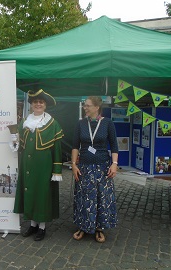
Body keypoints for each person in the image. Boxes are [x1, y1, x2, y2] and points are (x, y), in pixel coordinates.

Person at [14, 89, 64, 241]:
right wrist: (15, 141)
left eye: (41, 102)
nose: (38, 104)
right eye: (35, 102)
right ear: (32, 105)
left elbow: (57, 149)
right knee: (30, 192)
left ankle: (42, 227)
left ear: (45, 105)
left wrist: (57, 170)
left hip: (44, 167)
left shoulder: (52, 124)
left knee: (42, 195)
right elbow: (21, 145)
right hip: (27, 165)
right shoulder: (25, 122)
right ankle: (32, 224)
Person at [71, 96, 119, 243]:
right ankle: (83, 226)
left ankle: (99, 228)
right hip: (84, 167)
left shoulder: (107, 123)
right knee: (85, 198)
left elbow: (114, 145)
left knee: (102, 198)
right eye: (85, 105)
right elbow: (75, 145)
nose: (85, 108)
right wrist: (73, 165)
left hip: (103, 167)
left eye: (88, 106)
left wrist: (114, 163)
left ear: (97, 107)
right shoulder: (81, 124)